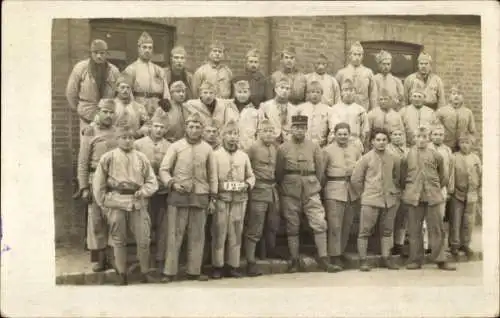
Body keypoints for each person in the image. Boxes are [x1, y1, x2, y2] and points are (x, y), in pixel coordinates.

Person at [92, 125, 160, 285]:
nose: (127, 141)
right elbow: (98, 184)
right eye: (124, 137)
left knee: (144, 239)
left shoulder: (141, 158)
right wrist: (104, 203)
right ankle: (121, 274)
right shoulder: (108, 158)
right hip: (116, 202)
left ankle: (145, 272)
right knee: (118, 240)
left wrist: (144, 191)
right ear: (117, 139)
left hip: (138, 201)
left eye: (130, 138)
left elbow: (152, 181)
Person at [159, 112, 217, 282]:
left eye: (198, 127)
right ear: (186, 127)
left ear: (202, 129)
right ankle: (169, 272)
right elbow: (163, 169)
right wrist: (172, 183)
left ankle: (194, 270)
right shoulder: (176, 146)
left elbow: (212, 175)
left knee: (197, 235)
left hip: (200, 196)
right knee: (174, 234)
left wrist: (212, 198)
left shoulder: (207, 149)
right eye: (191, 126)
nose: (194, 130)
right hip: (179, 196)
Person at [276, 114, 338, 273]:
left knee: (319, 222)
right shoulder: (283, 148)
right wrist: (286, 186)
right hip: (290, 190)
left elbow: (320, 170)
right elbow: (279, 172)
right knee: (292, 225)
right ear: (291, 129)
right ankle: (294, 259)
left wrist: (313, 184)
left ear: (306, 129)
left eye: (302, 128)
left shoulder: (314, 147)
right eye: (296, 127)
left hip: (311, 190)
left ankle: (324, 259)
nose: (299, 131)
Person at [401, 125, 456, 271]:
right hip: (414, 196)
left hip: (432, 196)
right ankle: (415, 259)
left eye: (424, 137)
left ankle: (440, 259)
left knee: (436, 229)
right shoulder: (407, 155)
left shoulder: (436, 155)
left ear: (428, 138)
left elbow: (443, 177)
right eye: (418, 137)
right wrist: (409, 189)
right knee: (414, 229)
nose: (421, 140)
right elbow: (402, 176)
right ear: (414, 139)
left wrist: (434, 187)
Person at [74, 98, 118, 272]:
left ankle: (114, 258)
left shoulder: (117, 132)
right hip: (95, 180)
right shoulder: (90, 133)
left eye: (111, 112)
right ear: (98, 112)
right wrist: (84, 187)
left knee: (114, 219)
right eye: (105, 111)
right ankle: (99, 259)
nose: (108, 115)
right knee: (96, 220)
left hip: (114, 181)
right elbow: (82, 163)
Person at [351, 128, 401, 271]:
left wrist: (393, 192)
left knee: (387, 230)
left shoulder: (394, 158)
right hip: (370, 199)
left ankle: (386, 258)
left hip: (389, 200)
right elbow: (356, 179)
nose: (381, 143)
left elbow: (397, 177)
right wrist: (364, 194)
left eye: (384, 140)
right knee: (365, 230)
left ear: (388, 141)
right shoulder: (365, 158)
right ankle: (363, 260)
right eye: (378, 140)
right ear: (372, 141)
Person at [211, 120, 256, 279]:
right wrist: (214, 196)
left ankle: (233, 265)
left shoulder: (243, 156)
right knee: (219, 232)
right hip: (221, 200)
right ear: (223, 136)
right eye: (229, 134)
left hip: (239, 199)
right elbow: (212, 178)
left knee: (236, 233)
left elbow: (251, 176)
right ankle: (218, 265)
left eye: (235, 134)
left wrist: (247, 184)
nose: (232, 138)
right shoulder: (215, 155)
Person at [322, 122, 363, 270]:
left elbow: (361, 169)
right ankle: (334, 255)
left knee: (347, 224)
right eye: (340, 134)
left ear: (349, 135)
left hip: (351, 190)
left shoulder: (356, 150)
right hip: (334, 189)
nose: (343, 137)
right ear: (334, 135)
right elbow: (322, 172)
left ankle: (341, 251)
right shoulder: (327, 150)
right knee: (335, 225)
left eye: (345, 134)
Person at [134, 114, 171, 271]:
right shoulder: (138, 144)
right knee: (144, 228)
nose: (158, 130)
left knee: (163, 228)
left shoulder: (170, 146)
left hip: (162, 193)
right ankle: (144, 261)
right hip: (145, 192)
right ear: (150, 127)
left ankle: (160, 259)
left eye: (162, 127)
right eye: (156, 126)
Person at [244, 119, 281, 276]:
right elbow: (246, 169)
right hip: (258, 190)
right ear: (259, 133)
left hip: (272, 190)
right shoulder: (252, 148)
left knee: (272, 222)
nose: (268, 134)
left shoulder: (275, 148)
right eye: (265, 131)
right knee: (256, 225)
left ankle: (268, 252)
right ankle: (250, 260)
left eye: (271, 131)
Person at [66, 39, 120, 135]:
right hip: (86, 115)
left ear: (106, 54)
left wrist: (111, 109)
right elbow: (71, 92)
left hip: (107, 116)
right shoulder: (81, 68)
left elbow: (119, 93)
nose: (99, 56)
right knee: (87, 141)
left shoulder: (114, 71)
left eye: (102, 53)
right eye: (95, 53)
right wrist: (80, 108)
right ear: (91, 53)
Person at [448, 133, 481, 260]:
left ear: (472, 144)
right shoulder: (454, 157)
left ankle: (465, 244)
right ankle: (454, 244)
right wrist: (452, 190)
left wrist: (479, 189)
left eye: (467, 143)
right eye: (462, 143)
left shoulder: (475, 158)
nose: (465, 145)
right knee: (456, 219)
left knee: (469, 220)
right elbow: (451, 174)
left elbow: (480, 174)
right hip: (458, 193)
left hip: (471, 194)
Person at [122, 32, 171, 118]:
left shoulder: (159, 70)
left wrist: (164, 109)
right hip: (139, 108)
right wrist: (136, 111)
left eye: (150, 48)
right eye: (144, 47)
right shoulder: (131, 69)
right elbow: (127, 93)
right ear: (138, 48)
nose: (147, 50)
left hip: (157, 110)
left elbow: (166, 93)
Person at [427, 124, 454, 251]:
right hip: (427, 188)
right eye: (435, 134)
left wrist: (449, 188)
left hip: (442, 187)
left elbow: (451, 170)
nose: (438, 137)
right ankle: (426, 245)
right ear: (430, 136)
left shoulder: (447, 150)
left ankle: (438, 247)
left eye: (440, 135)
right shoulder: (426, 148)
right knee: (426, 219)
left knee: (440, 217)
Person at [386, 128, 410, 256]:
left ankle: (399, 244)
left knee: (402, 218)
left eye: (400, 134)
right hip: (391, 187)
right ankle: (387, 246)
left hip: (405, 188)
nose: (397, 136)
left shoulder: (408, 150)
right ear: (390, 136)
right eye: (395, 134)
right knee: (390, 217)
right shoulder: (387, 149)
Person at [335, 41, 378, 111]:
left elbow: (373, 93)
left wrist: (373, 110)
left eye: (359, 55)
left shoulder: (368, 72)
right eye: (355, 54)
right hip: (345, 108)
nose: (357, 57)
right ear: (350, 56)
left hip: (363, 108)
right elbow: (336, 93)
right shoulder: (341, 73)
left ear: (362, 56)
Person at [329, 78, 369, 151]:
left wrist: (358, 142)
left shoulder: (360, 110)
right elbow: (332, 129)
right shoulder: (334, 109)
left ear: (355, 92)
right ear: (341, 92)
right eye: (345, 90)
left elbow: (364, 131)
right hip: (338, 143)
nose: (348, 93)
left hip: (355, 143)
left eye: (351, 90)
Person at [436, 84, 476, 152]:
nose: (456, 96)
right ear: (450, 96)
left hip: (461, 148)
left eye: (459, 94)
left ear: (463, 97)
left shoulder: (468, 112)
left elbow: (472, 131)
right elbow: (435, 129)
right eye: (454, 94)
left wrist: (469, 143)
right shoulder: (441, 111)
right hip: (445, 146)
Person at [294, 81, 334, 147]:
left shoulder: (328, 110)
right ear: (308, 94)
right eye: (312, 92)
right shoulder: (300, 109)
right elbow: (294, 127)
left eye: (318, 92)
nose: (315, 94)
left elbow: (333, 128)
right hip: (303, 145)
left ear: (322, 94)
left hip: (321, 145)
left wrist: (328, 143)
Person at [259, 78, 296, 144]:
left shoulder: (294, 109)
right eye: (282, 87)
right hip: (271, 141)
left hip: (288, 141)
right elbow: (261, 126)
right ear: (276, 89)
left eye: (287, 89)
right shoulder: (265, 106)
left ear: (290, 92)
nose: (284, 91)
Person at [228, 79, 260, 152]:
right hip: (231, 145)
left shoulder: (256, 109)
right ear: (235, 93)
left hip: (249, 147)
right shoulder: (228, 107)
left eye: (245, 92)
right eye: (239, 92)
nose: (242, 95)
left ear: (249, 93)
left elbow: (259, 130)